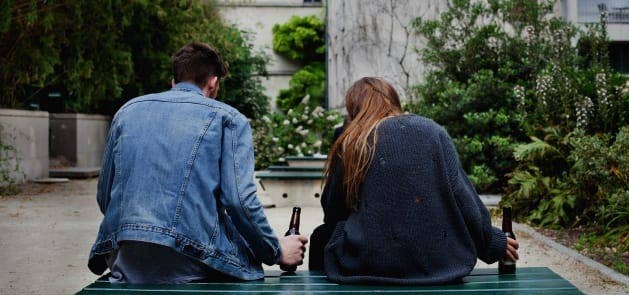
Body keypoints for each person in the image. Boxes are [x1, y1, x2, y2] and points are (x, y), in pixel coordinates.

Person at [88, 42, 307, 284]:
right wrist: (277, 251)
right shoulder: (229, 119)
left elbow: (105, 197)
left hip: (126, 258)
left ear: (174, 81)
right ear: (213, 83)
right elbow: (240, 202)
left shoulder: (126, 112)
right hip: (192, 263)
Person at [309, 77, 519, 284]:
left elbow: (333, 211)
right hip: (439, 264)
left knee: (321, 237)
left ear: (353, 108)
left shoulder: (352, 140)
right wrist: (492, 243)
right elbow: (462, 197)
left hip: (367, 264)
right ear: (393, 100)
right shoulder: (432, 130)